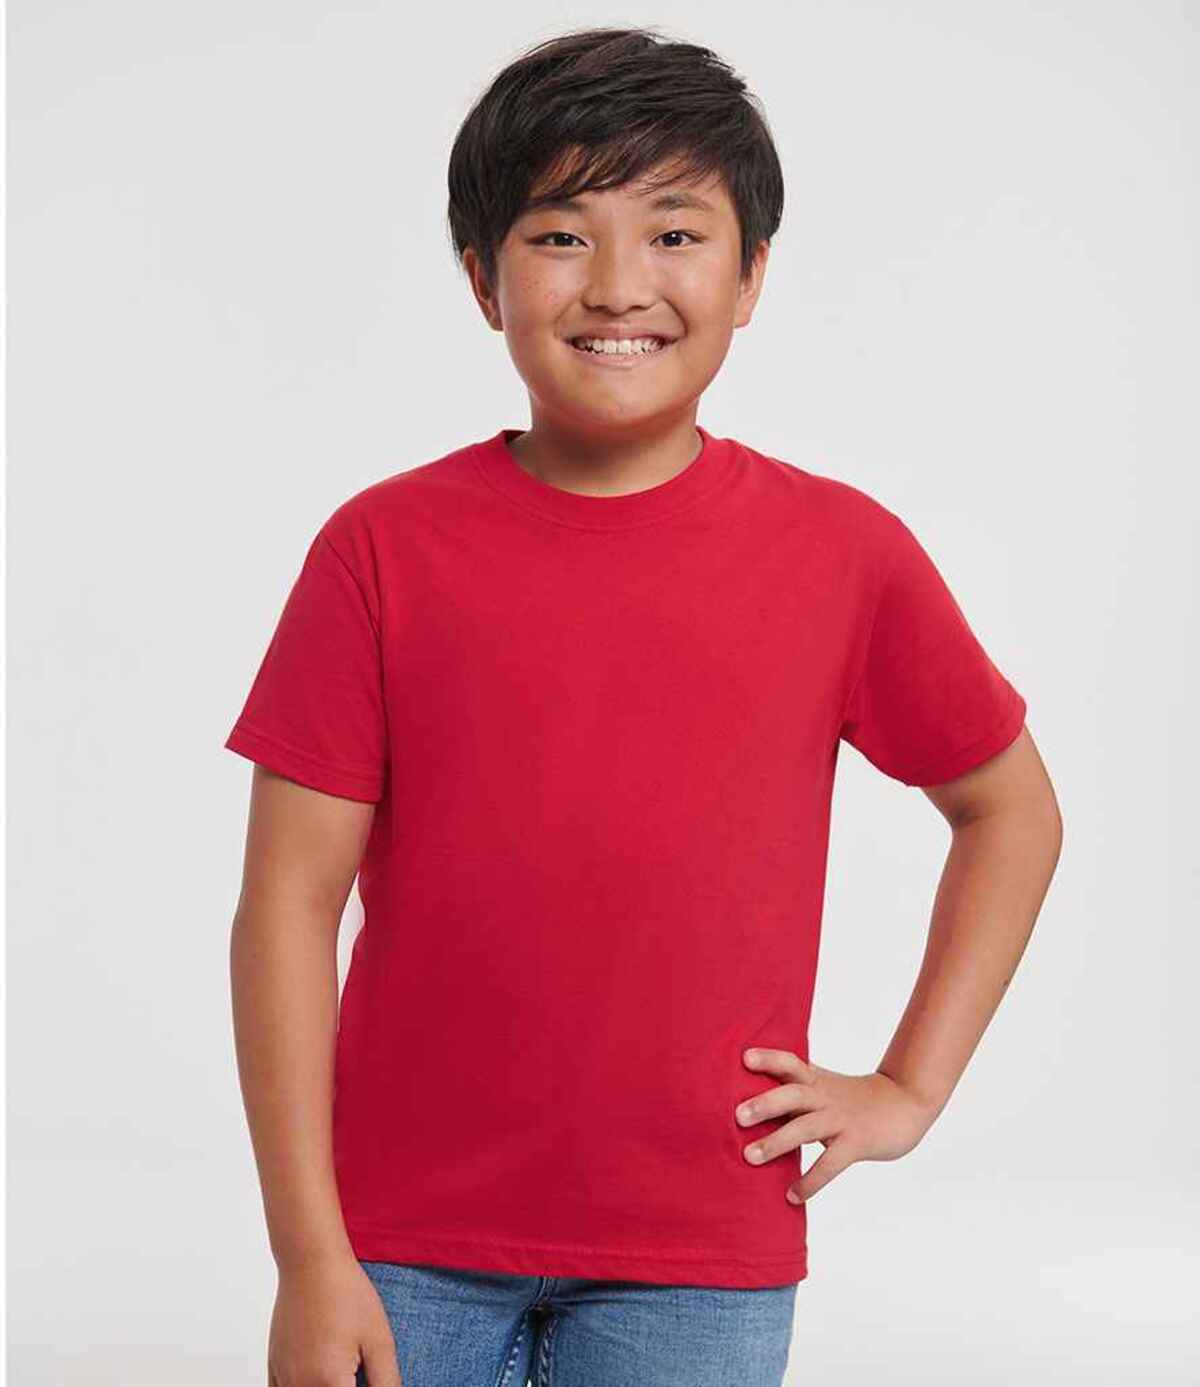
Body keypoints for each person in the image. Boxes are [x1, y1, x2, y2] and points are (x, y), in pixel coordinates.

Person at [223, 25, 1063, 1387]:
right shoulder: (380, 550)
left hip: (700, 1247)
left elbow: (1010, 808)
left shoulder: (842, 553)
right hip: (400, 1238)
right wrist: (309, 1254)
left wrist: (909, 1087)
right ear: (483, 278)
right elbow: (285, 908)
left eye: (674, 234)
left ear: (751, 276)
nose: (618, 285)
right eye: (561, 235)